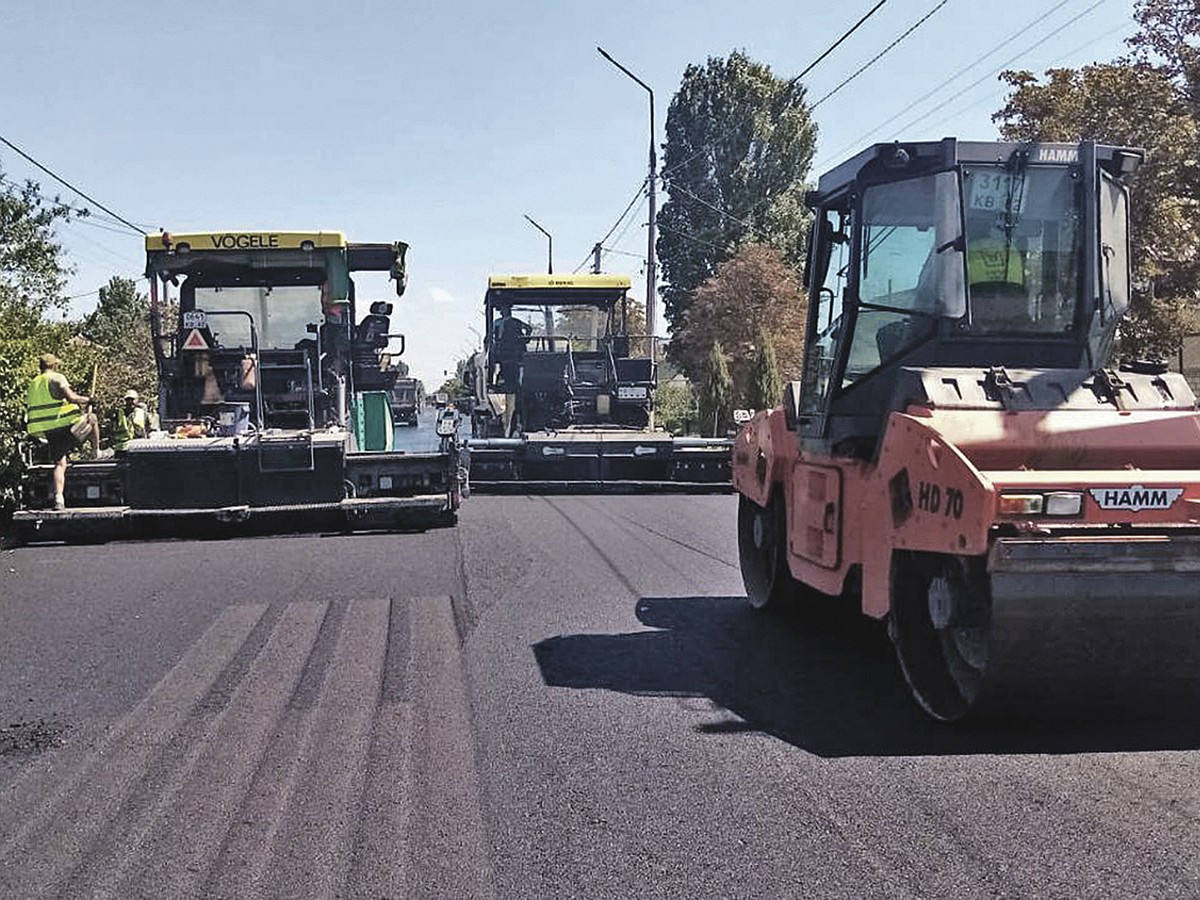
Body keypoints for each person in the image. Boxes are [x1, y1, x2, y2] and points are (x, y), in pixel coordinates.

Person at [25, 353, 101, 510]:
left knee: (60, 463)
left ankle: (59, 499)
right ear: (54, 365)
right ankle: (96, 452)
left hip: (46, 430)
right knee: (92, 418)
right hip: (65, 427)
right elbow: (72, 397)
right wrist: (88, 400)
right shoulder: (57, 378)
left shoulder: (34, 383)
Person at [491, 305, 531, 389]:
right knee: (503, 368)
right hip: (502, 351)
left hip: (515, 351)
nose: (502, 312)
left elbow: (528, 328)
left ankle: (517, 384)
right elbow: (492, 334)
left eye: (503, 309)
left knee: (516, 369)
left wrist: (525, 338)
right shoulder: (497, 322)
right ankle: (501, 383)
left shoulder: (516, 322)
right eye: (501, 310)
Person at [110, 389, 149, 453]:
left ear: (137, 400)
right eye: (128, 400)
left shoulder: (142, 413)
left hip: (138, 446)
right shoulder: (118, 413)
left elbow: (149, 429)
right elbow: (112, 430)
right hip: (121, 447)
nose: (130, 402)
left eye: (132, 399)